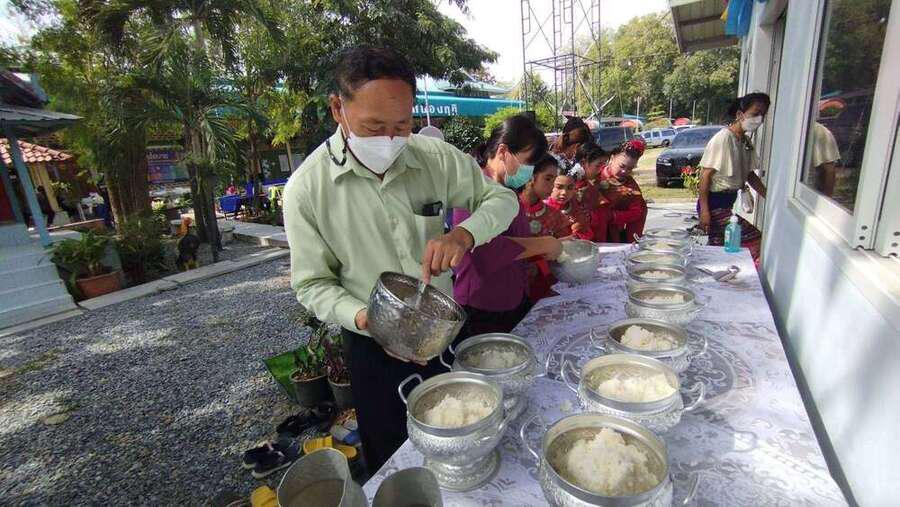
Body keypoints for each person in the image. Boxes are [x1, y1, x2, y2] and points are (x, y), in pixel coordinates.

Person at [282, 46, 519, 473]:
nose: (389, 140)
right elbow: (312, 284)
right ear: (338, 108)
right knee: (394, 457)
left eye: (402, 125)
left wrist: (464, 234)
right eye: (374, 126)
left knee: (461, 440)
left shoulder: (434, 158)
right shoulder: (307, 190)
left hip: (443, 331)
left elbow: (502, 200)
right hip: (370, 343)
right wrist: (366, 318)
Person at [452, 115, 563, 337]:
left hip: (513, 297)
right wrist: (543, 245)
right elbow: (485, 251)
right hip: (482, 306)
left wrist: (545, 250)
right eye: (527, 162)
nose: (529, 171)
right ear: (503, 151)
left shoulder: (507, 191)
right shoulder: (472, 190)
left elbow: (518, 239)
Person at [697, 92, 770, 263]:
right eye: (755, 113)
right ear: (740, 115)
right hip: (713, 204)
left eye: (762, 115)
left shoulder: (745, 142)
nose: (759, 119)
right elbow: (705, 176)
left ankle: (723, 274)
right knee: (753, 239)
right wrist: (705, 211)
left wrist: (769, 195)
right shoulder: (723, 138)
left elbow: (749, 174)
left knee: (720, 249)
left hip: (727, 203)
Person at [518, 153, 571, 302]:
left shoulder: (555, 216)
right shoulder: (509, 210)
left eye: (554, 180)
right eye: (548, 179)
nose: (552, 185)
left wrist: (541, 265)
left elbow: (565, 250)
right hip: (510, 289)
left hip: (543, 288)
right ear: (530, 177)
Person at [599, 139, 648, 242]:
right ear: (612, 158)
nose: (624, 171)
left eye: (630, 169)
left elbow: (637, 212)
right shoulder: (595, 173)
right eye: (622, 166)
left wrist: (613, 216)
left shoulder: (631, 186)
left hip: (613, 234)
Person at [574, 142, 613, 242]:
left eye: (603, 165)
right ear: (583, 163)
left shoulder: (590, 184)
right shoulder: (573, 189)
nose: (601, 169)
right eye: (598, 165)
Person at [544, 166, 594, 241]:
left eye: (570, 188)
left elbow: (587, 235)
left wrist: (579, 230)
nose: (564, 192)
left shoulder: (577, 207)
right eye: (559, 187)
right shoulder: (544, 208)